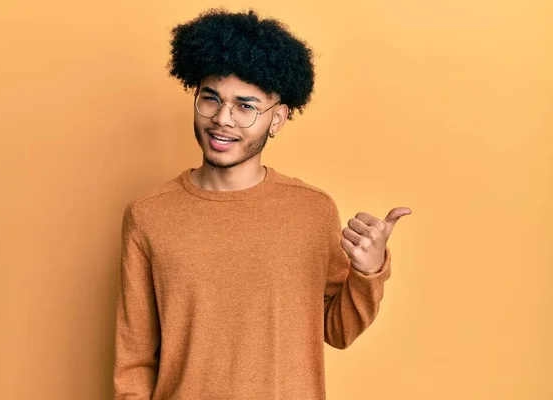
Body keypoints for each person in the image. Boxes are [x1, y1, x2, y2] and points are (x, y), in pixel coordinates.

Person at [113, 8, 411, 399]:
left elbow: (337, 331)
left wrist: (369, 272)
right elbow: (133, 359)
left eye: (246, 106)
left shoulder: (311, 210)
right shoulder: (148, 214)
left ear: (278, 119)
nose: (223, 119)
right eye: (210, 98)